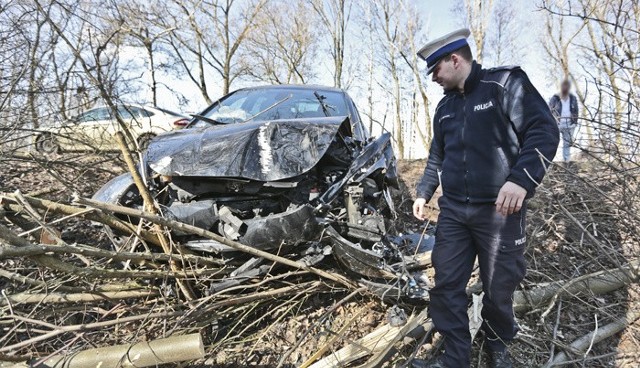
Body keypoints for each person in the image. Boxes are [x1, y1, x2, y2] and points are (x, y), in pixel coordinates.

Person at [411, 29, 559, 368]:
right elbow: (437, 157)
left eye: (436, 69)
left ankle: (497, 343)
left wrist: (521, 180)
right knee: (446, 283)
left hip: (499, 211)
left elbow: (544, 130)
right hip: (454, 213)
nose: (433, 77)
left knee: (499, 287)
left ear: (455, 59)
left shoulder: (504, 84)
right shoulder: (445, 108)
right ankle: (456, 356)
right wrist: (423, 193)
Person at [548, 79, 580, 162]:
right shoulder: (555, 98)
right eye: (564, 86)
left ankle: (566, 161)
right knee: (553, 142)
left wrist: (575, 122)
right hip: (557, 124)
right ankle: (550, 160)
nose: (565, 88)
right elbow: (549, 110)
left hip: (570, 125)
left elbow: (576, 110)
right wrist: (551, 123)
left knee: (567, 144)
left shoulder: (573, 98)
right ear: (561, 87)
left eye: (567, 86)